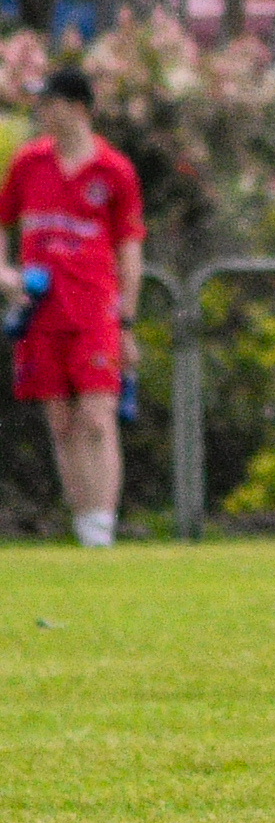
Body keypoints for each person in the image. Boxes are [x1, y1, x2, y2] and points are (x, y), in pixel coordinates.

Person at [0, 67, 145, 548]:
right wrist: (5, 274)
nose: (43, 110)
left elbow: (129, 247)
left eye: (52, 102)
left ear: (79, 108)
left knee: (98, 420)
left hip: (94, 312)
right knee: (61, 422)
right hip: (41, 314)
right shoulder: (29, 163)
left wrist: (126, 320)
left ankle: (102, 530)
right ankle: (85, 527)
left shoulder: (114, 170)